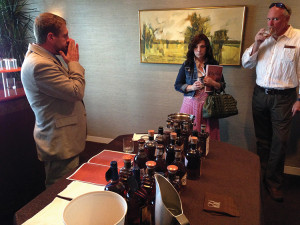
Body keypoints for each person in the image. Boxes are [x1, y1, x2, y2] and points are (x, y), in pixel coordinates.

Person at [242, 3, 300, 201]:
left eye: (275, 19)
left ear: (286, 19)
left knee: (280, 142)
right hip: (260, 95)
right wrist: (257, 43)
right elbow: (246, 63)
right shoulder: (263, 38)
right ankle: (262, 178)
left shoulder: (298, 38)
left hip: (284, 99)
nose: (270, 23)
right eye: (268, 19)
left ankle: (274, 183)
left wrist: (299, 98)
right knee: (262, 140)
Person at [21, 13, 87, 187]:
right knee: (59, 197)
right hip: (60, 145)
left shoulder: (48, 59)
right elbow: (76, 91)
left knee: (70, 192)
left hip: (65, 142)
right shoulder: (39, 64)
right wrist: (73, 63)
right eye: (65, 35)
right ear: (51, 36)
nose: (69, 39)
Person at [174, 34, 225, 140]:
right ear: (192, 48)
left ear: (207, 48)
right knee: (187, 136)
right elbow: (177, 85)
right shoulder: (187, 64)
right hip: (190, 104)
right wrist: (191, 87)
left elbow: (222, 86)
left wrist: (213, 83)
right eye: (196, 47)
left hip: (208, 106)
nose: (199, 50)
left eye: (202, 46)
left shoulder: (214, 64)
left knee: (207, 137)